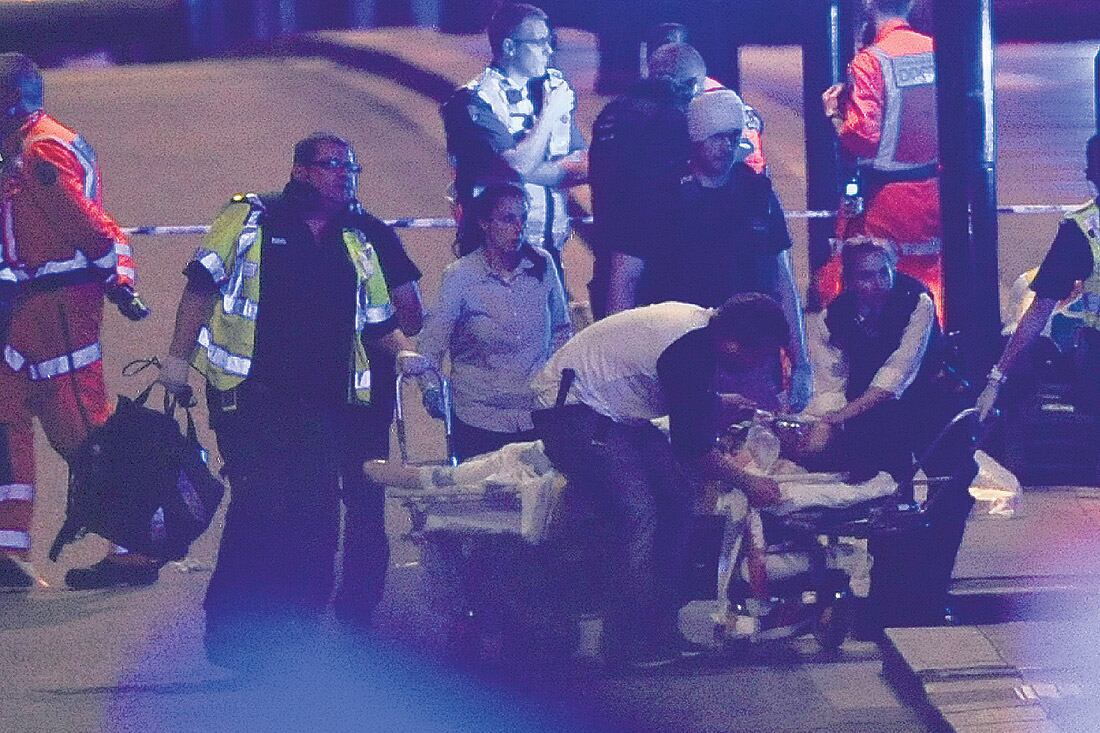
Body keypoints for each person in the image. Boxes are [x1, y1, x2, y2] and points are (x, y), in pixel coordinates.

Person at [156, 133, 417, 667]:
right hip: (252, 397)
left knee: (317, 516)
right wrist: (177, 362)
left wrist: (409, 357)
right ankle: (234, 634)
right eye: (334, 165)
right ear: (301, 172)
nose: (345, 175)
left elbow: (380, 321)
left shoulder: (357, 238)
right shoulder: (251, 219)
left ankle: (297, 631)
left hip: (324, 404)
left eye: (351, 167)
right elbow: (200, 289)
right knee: (261, 506)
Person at [530, 293, 791, 668]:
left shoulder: (701, 335)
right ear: (734, 345)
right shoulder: (690, 349)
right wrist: (748, 482)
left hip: (612, 412)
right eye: (760, 355)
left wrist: (715, 404)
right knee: (637, 512)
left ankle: (660, 628)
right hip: (570, 410)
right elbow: (692, 447)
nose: (760, 366)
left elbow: (680, 395)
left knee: (677, 498)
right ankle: (626, 640)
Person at [0, 53, 155, 590]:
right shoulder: (22, 146)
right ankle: (7, 548)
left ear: (11, 100)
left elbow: (89, 226)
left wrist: (118, 276)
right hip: (27, 306)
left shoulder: (39, 151)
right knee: (6, 419)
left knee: (81, 429)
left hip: (59, 307)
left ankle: (134, 547)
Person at [605, 89, 811, 412]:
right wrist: (618, 356)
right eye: (717, 137)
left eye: (733, 137)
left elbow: (782, 279)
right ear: (696, 138)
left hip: (749, 352)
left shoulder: (756, 194)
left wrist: (801, 363)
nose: (726, 146)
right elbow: (625, 279)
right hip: (679, 348)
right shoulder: (658, 196)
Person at [402, 183, 571, 461]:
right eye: (507, 219)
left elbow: (561, 330)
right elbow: (432, 344)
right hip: (479, 419)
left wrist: (556, 386)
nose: (518, 228)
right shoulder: (460, 276)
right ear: (484, 224)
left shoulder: (543, 265)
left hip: (536, 414)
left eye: (522, 219)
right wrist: (432, 392)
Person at [440, 2, 587, 282]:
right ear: (509, 47)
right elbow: (517, 165)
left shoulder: (551, 89)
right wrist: (550, 113)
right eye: (540, 42)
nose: (549, 50)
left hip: (549, 249)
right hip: (493, 256)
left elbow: (585, 163)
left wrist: (529, 169)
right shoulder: (474, 101)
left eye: (551, 41)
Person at [820, 0, 942, 321]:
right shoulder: (936, 51)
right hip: (935, 195)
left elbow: (861, 137)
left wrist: (834, 115)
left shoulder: (871, 61)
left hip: (887, 204)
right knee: (932, 289)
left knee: (879, 291)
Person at [977, 134, 1100, 420]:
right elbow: (1038, 311)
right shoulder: (1080, 230)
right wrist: (997, 378)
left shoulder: (1079, 229)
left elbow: (1039, 311)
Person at [803, 237, 946, 481]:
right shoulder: (834, 315)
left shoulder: (917, 300)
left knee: (937, 466)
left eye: (884, 273)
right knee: (867, 471)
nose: (879, 283)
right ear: (849, 280)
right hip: (865, 400)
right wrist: (824, 421)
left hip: (924, 393)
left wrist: (843, 414)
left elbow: (898, 372)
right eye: (866, 276)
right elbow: (831, 379)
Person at [587, 42, 701, 319]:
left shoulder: (610, 114)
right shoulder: (675, 119)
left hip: (607, 255)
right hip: (658, 267)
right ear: (691, 84)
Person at [645, 22, 768, 175]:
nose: (668, 60)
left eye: (675, 54)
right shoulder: (643, 104)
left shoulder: (720, 102)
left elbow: (751, 166)